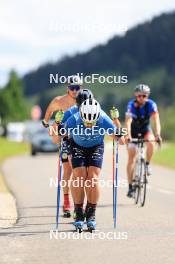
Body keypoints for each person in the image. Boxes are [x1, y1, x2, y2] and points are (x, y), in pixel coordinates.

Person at [63, 98, 125, 231]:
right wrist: (61, 133)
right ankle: (78, 212)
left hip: (96, 147)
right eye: (86, 122)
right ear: (81, 115)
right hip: (77, 146)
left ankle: (91, 213)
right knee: (79, 176)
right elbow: (59, 135)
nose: (89, 125)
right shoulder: (74, 119)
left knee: (93, 178)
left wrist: (118, 130)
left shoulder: (103, 118)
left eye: (92, 122)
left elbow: (122, 141)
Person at [42, 75, 82, 217]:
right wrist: (47, 123)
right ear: (67, 88)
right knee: (68, 171)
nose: (75, 91)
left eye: (77, 88)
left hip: (81, 139)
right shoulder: (59, 100)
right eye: (72, 88)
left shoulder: (84, 99)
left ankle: (79, 204)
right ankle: (66, 202)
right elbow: (48, 111)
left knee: (80, 172)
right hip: (65, 139)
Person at [51, 88, 94, 217]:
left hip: (81, 144)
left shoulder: (95, 111)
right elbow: (55, 135)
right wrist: (57, 123)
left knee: (85, 175)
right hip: (68, 144)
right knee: (70, 172)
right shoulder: (70, 112)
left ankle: (84, 204)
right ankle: (67, 202)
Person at [125, 84, 162, 198]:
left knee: (151, 143)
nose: (141, 98)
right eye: (139, 95)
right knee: (132, 156)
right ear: (136, 95)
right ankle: (131, 186)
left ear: (147, 96)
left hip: (146, 130)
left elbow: (156, 120)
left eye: (144, 96)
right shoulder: (131, 105)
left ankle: (147, 164)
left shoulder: (151, 104)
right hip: (133, 132)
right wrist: (129, 135)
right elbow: (128, 122)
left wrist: (158, 135)